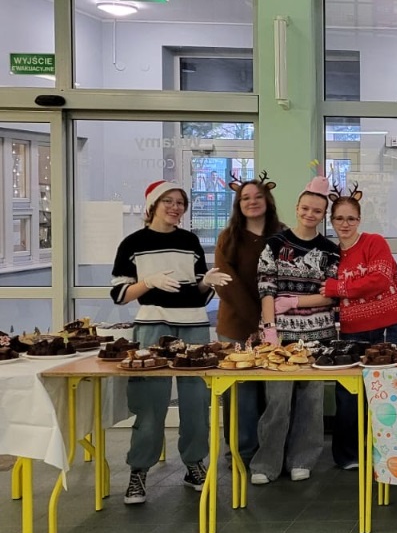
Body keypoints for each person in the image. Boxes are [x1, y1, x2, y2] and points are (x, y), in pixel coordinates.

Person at [111, 180, 230, 504]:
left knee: (196, 402)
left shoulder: (189, 242)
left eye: (180, 202)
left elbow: (196, 294)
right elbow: (120, 294)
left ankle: (194, 463)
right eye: (169, 201)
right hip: (152, 326)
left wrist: (206, 283)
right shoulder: (133, 243)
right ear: (153, 205)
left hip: (193, 327)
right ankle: (139, 470)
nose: (176, 207)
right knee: (149, 403)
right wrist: (148, 282)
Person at [254, 175, 340, 484]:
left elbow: (331, 294)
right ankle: (266, 463)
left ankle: (303, 458)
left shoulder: (330, 250)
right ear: (296, 208)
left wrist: (294, 301)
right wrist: (269, 329)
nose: (309, 214)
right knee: (277, 401)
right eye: (305, 208)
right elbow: (266, 287)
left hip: (318, 334)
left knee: (311, 401)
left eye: (317, 211)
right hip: (281, 336)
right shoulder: (275, 244)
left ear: (324, 214)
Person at [323, 185, 397, 471]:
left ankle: (396, 451)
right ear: (331, 221)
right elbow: (330, 288)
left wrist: (338, 288)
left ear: (359, 220)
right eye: (339, 218)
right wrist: (352, 289)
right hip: (352, 330)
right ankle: (349, 455)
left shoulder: (374, 242)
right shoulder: (331, 254)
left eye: (351, 218)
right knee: (349, 395)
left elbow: (381, 280)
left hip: (390, 327)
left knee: (394, 390)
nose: (345, 224)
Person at [213, 172, 283, 461]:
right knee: (241, 395)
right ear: (238, 204)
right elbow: (225, 283)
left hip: (275, 329)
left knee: (274, 394)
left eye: (257, 197)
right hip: (236, 327)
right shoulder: (228, 238)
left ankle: (270, 454)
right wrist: (257, 321)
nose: (252, 202)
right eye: (245, 198)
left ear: (268, 200)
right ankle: (241, 453)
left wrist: (269, 324)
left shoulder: (282, 236)